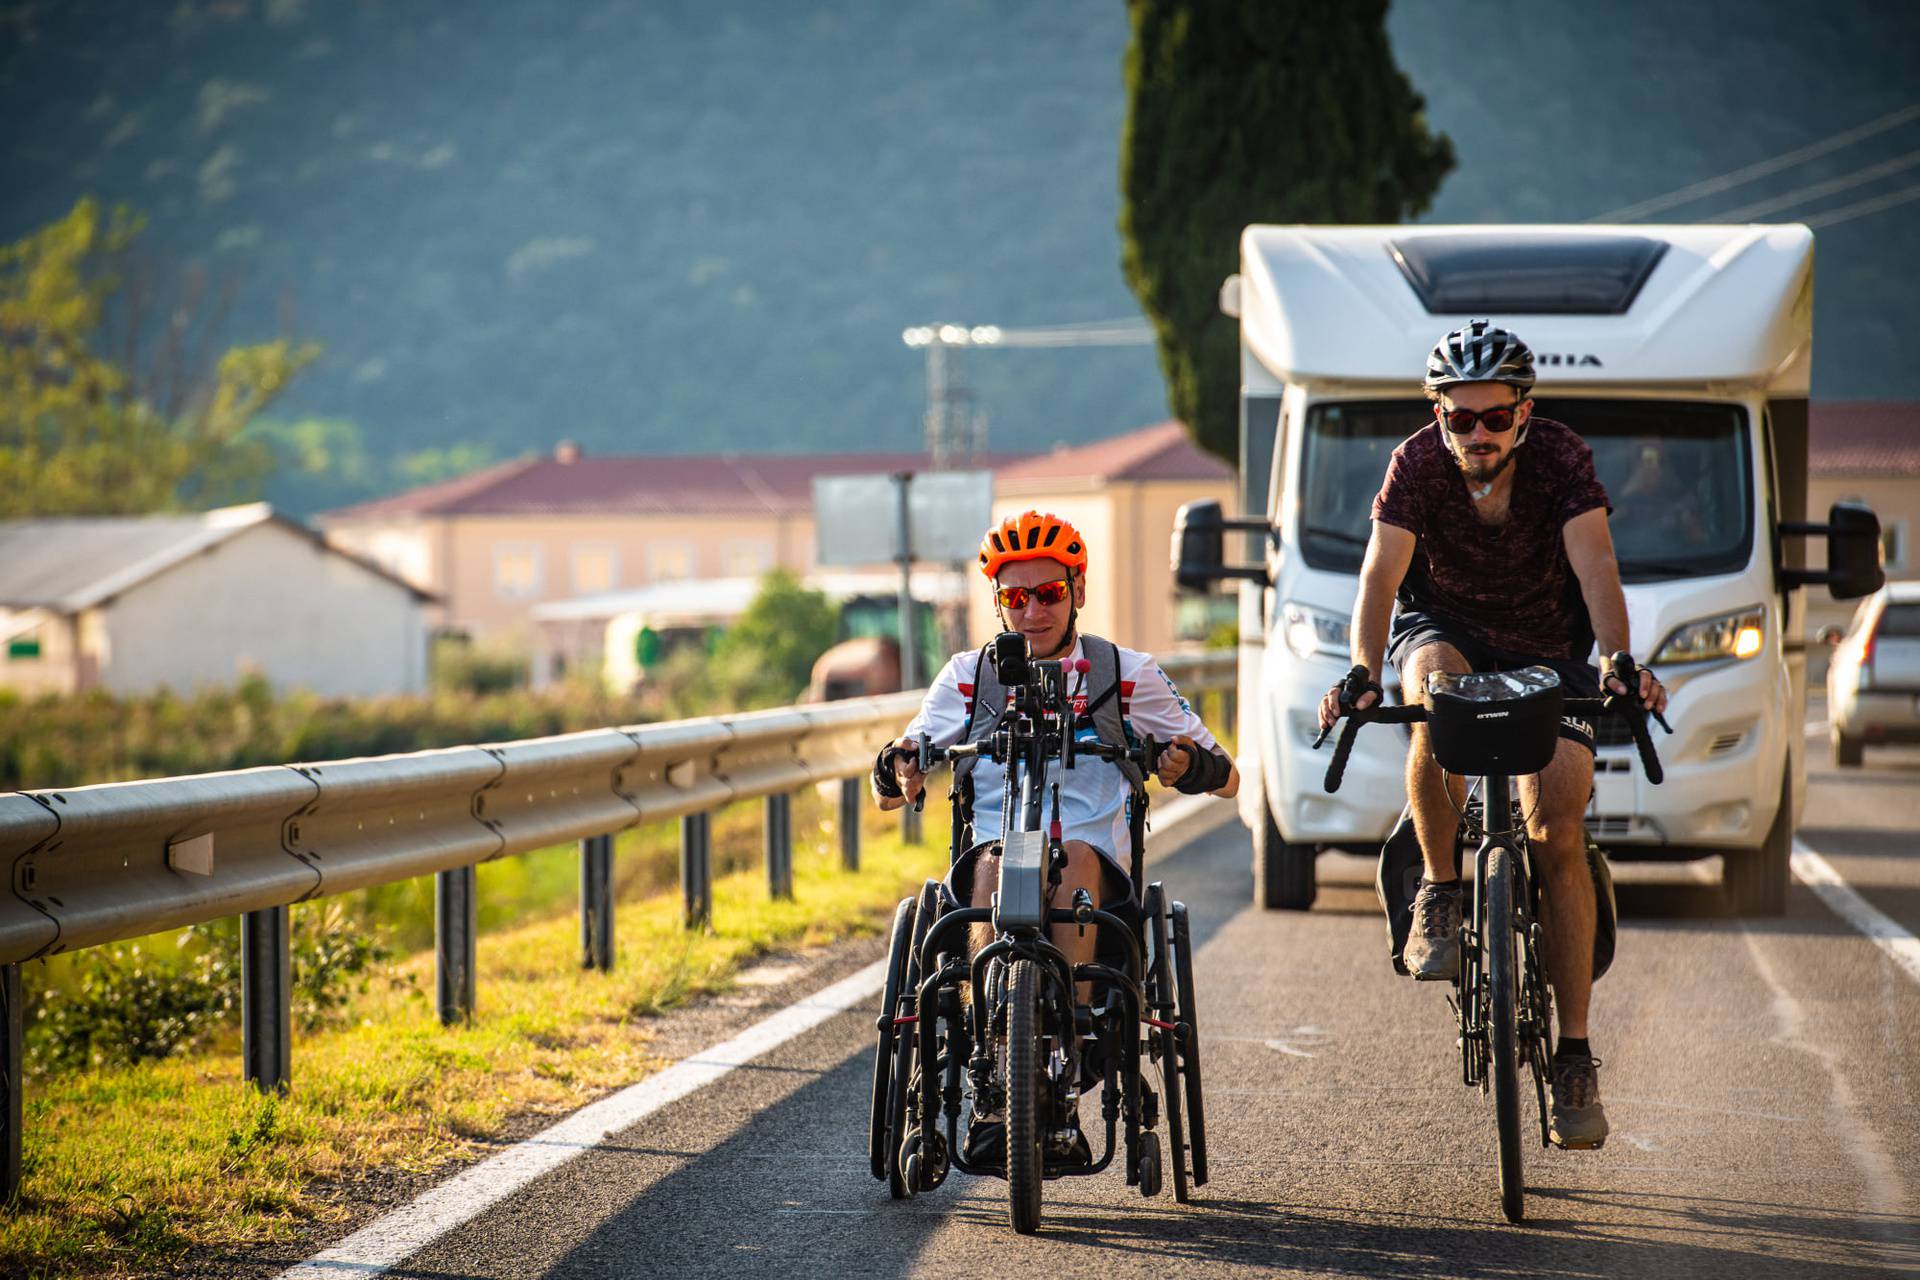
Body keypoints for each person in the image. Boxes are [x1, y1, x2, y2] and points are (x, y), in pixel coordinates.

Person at [1314, 319, 1668, 1151]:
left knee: (1560, 823)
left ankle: (1575, 1055)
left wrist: (1617, 658)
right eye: (1459, 416)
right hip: (1447, 627)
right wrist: (1364, 669)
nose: (1476, 433)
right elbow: (1380, 576)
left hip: (1551, 644)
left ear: (1524, 411)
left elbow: (1597, 566)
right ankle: (1440, 889)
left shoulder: (1560, 458)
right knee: (1438, 698)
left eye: (1494, 417)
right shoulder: (1415, 463)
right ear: (1437, 412)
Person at [872, 509, 1238, 1167]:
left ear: (1077, 592)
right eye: (1016, 597)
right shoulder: (968, 675)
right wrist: (900, 766)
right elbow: (901, 766)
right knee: (1000, 859)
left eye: (1048, 593)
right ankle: (992, 1076)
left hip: (1095, 870)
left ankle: (1062, 1075)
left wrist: (1184, 764)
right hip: (989, 864)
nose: (1032, 611)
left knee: (1065, 861)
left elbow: (1226, 775)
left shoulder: (1126, 674)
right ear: (997, 602)